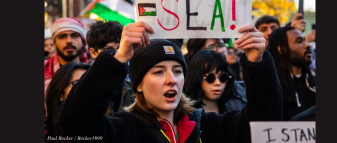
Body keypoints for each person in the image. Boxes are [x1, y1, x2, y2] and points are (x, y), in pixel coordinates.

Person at [58, 21, 282, 143]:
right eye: (158, 72)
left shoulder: (208, 126)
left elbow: (264, 124)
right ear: (138, 85)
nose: (171, 80)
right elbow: (73, 124)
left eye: (177, 71)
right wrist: (117, 59)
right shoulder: (121, 131)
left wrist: (257, 63)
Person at [267, 26, 316, 121]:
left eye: (305, 40)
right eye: (299, 41)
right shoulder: (271, 85)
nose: (307, 45)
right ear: (281, 49)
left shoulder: (314, 82)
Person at [86, 20, 134, 116]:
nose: (117, 54)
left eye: (120, 48)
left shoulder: (135, 81)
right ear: (93, 52)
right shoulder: (85, 84)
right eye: (109, 50)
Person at [44, 62, 90, 142]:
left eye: (90, 83)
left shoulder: (107, 129)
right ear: (61, 93)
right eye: (77, 83)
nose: (85, 88)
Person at [44, 17, 88, 93]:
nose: (69, 41)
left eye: (75, 35)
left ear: (83, 42)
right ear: (54, 43)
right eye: (62, 36)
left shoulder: (92, 73)